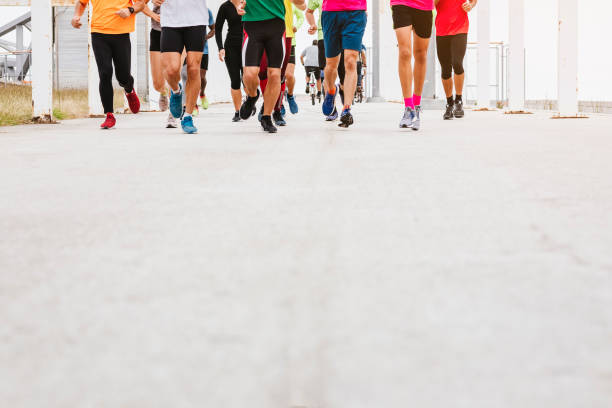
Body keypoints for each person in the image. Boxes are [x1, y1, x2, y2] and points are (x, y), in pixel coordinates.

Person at [71, 0, 142, 129]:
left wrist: (130, 10)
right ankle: (109, 114)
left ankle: (129, 90)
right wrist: (76, 15)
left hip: (121, 33)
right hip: (99, 33)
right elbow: (81, 3)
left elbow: (141, 4)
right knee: (105, 73)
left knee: (123, 76)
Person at [237, 0, 306, 133]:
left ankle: (267, 116)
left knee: (275, 74)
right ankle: (252, 96)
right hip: (252, 23)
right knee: (249, 74)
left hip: (276, 24)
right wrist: (237, 5)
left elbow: (300, 3)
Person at [154, 0, 208, 134]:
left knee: (194, 69)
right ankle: (176, 91)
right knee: (171, 70)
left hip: (197, 20)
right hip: (171, 21)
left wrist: (237, 4)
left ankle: (188, 116)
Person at [313, 0, 368, 128]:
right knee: (331, 64)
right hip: (331, 12)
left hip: (356, 11)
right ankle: (331, 90)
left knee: (350, 61)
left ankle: (346, 109)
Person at [391, 0, 434, 130]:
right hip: (401, 4)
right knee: (404, 52)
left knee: (421, 54)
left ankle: (416, 105)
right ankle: (408, 107)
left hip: (424, 6)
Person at [435, 0, 476, 120]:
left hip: (460, 27)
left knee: (457, 63)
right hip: (442, 29)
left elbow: (473, 1)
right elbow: (430, 4)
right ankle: (449, 104)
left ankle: (458, 101)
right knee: (445, 68)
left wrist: (470, 5)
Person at [143, 2, 177, 128]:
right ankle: (163, 92)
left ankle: (173, 114)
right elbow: (140, 4)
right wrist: (153, 14)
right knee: (157, 84)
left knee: (174, 72)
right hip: (158, 31)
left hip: (178, 30)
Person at [216, 0, 244, 122]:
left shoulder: (247, 3)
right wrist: (220, 48)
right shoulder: (225, 7)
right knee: (235, 79)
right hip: (231, 46)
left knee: (247, 77)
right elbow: (218, 29)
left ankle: (249, 101)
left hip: (248, 44)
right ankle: (238, 111)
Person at [285, 6, 304, 114]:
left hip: (290, 42)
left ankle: (290, 95)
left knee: (289, 75)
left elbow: (301, 17)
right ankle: (279, 105)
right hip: (274, 41)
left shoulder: (291, 3)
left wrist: (296, 26)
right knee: (276, 76)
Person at [200, 8, 216, 110]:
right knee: (191, 77)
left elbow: (213, 29)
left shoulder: (206, 11)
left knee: (201, 77)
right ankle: (192, 105)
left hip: (203, 50)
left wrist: (205, 37)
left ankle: (202, 94)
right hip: (188, 49)